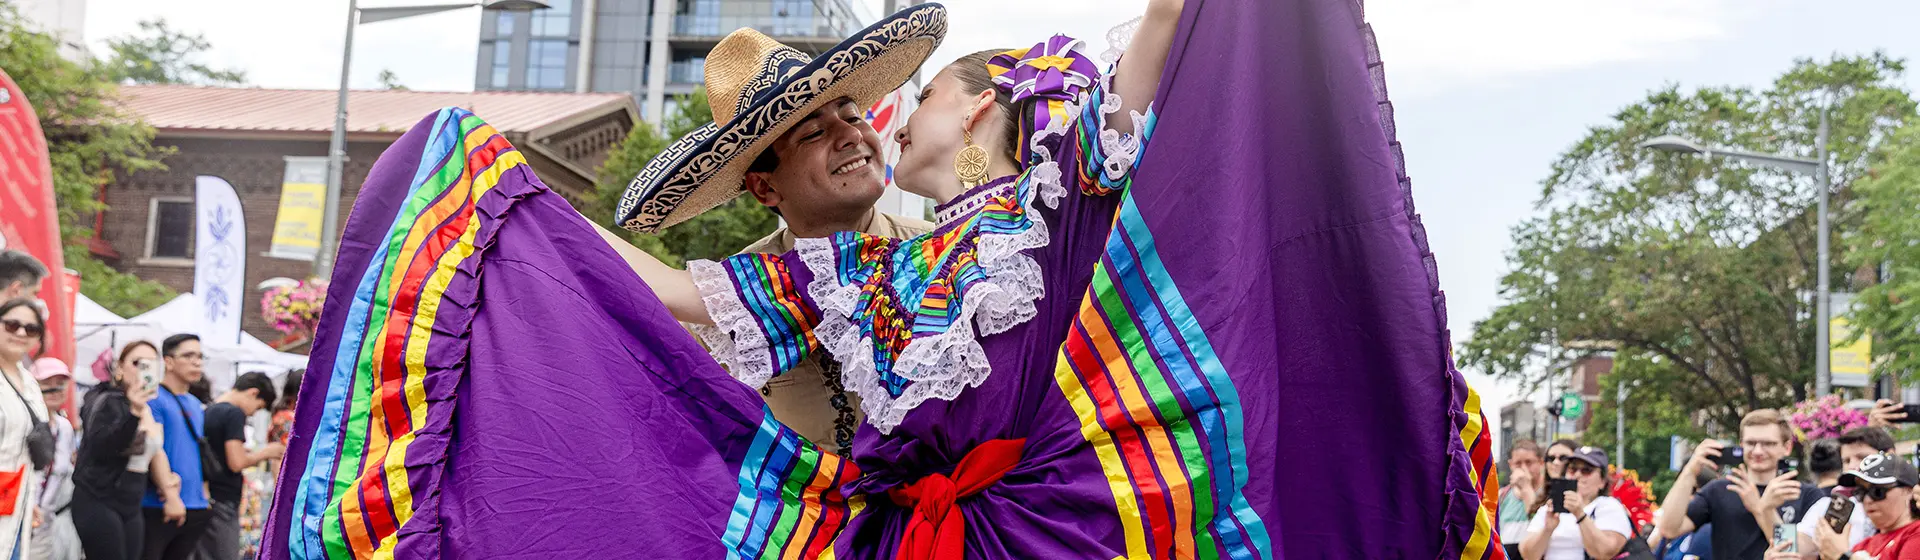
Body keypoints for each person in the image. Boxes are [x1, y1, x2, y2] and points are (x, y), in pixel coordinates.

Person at [263, 0, 1504, 557]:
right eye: (819, 127)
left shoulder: (1043, 211)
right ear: (766, 182)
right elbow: (641, 291)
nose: (859, 127)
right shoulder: (803, 283)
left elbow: (1167, 46)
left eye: (860, 108)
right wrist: (476, 214)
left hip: (1067, 528)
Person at [730, 120, 934, 455]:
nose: (853, 135)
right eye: (813, 133)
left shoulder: (948, 252)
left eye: (853, 117)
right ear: (764, 187)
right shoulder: (730, 297)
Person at [1658, 409, 1828, 559]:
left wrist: (1761, 509)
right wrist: (1689, 471)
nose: (1758, 451)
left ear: (1786, 447)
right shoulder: (1720, 489)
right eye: (1751, 443)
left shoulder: (1805, 494)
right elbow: (1669, 529)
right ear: (1741, 445)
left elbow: (1792, 554)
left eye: (1768, 443)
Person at [73, 341, 173, 560]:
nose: (143, 369)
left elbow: (155, 453)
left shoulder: (148, 406)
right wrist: (134, 413)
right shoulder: (105, 399)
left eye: (151, 364)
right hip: (99, 496)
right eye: (137, 363)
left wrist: (169, 486)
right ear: (119, 367)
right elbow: (104, 446)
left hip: (132, 501)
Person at [197, 372, 284, 560]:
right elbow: (236, 462)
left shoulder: (210, 410)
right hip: (223, 500)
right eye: (258, 407)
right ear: (253, 393)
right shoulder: (233, 413)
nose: (253, 413)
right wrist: (266, 452)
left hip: (207, 496)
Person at [144, 333, 210, 560]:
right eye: (189, 355)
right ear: (168, 361)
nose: (196, 362)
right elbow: (154, 449)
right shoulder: (154, 398)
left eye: (200, 356)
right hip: (159, 505)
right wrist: (171, 496)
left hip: (196, 505)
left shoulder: (194, 402)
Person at [0, 299, 53, 557]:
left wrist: (26, 497)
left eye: (31, 329)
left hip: (15, 506)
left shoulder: (30, 383)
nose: (21, 333)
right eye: (12, 325)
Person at [1521, 445, 1631, 560]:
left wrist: (1580, 514)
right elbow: (1528, 555)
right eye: (1573, 469)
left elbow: (1604, 552)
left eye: (1586, 470)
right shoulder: (1550, 508)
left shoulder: (1608, 506)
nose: (1578, 475)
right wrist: (1547, 529)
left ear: (1602, 482)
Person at [1803, 426, 1898, 551]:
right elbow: (1797, 549)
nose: (1853, 466)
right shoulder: (1833, 506)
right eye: (1846, 461)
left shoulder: (1911, 504)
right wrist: (1768, 509)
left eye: (1862, 458)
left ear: (1890, 456)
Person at [1814, 453, 1920, 559]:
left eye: (1877, 491)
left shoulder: (1915, 534)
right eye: (1860, 492)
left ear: (1909, 491)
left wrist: (1842, 556)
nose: (1867, 500)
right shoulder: (1864, 545)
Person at [29, 358, 78, 560]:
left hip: (51, 524)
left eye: (60, 382)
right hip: (19, 519)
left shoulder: (64, 427)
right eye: (46, 384)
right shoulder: (24, 422)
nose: (55, 389)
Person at [1502, 440, 1547, 558]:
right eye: (1518, 463)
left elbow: (1538, 522)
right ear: (1511, 464)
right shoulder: (1502, 495)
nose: (1523, 468)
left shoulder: (1548, 493)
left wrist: (1526, 489)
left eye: (1529, 462)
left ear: (1541, 463)